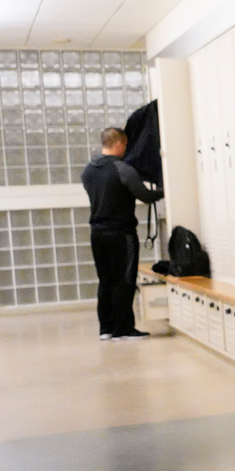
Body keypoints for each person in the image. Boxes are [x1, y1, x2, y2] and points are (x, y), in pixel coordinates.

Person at [82, 126, 163, 340]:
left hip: (97, 234)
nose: (126, 149)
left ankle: (106, 329)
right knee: (124, 280)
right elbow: (143, 195)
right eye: (125, 145)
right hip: (121, 233)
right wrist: (164, 191)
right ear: (119, 143)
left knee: (106, 280)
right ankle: (124, 329)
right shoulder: (122, 168)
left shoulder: (88, 170)